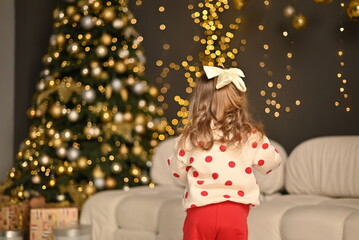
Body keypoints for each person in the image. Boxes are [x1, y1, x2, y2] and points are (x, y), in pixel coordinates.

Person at [167, 66, 282, 240]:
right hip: (234, 215)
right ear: (238, 100)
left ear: (199, 101)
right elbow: (271, 162)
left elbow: (177, 173)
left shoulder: (190, 137)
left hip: (199, 214)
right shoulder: (250, 135)